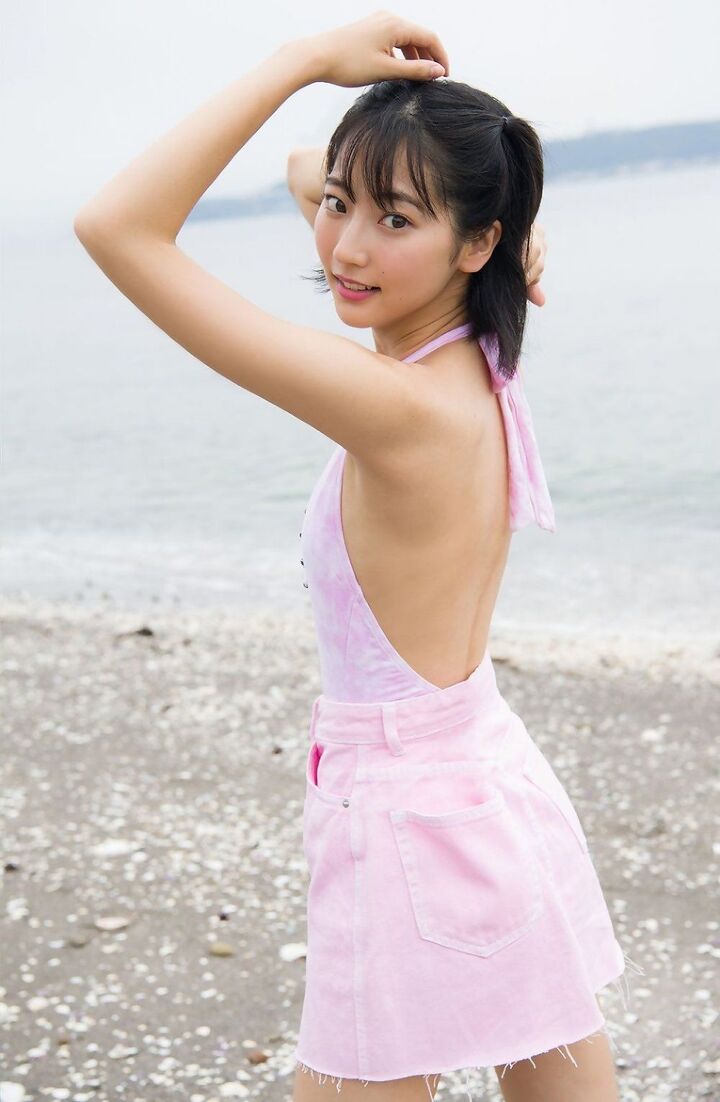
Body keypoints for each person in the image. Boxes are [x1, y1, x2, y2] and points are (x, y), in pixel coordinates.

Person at [73, 12, 637, 1102]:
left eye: (396, 220)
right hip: (487, 783)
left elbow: (117, 226)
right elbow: (313, 176)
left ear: (475, 244)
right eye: (342, 208)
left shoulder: (396, 406)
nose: (344, 248)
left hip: (401, 823)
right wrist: (391, 192)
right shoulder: (476, 353)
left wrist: (302, 63)